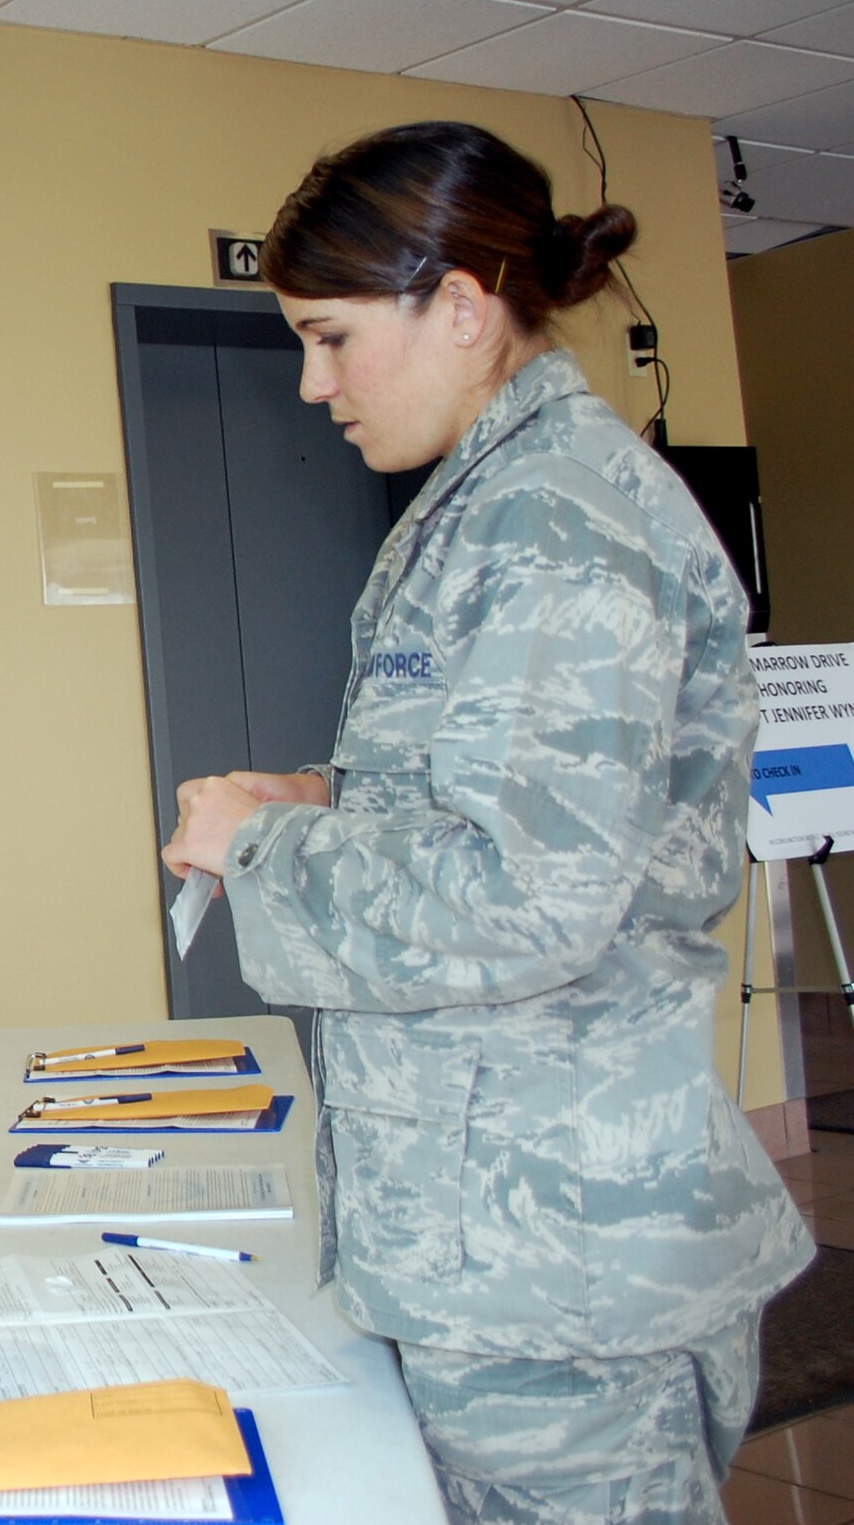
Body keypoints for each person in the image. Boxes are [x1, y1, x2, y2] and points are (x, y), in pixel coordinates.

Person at [163, 121, 810, 1524]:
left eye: (333, 339)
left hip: (560, 1272)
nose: (311, 383)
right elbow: (538, 801)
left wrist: (258, 850)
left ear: (460, 305)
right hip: (497, 1237)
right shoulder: (480, 505)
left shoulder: (556, 523)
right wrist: (322, 797)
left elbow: (526, 894)